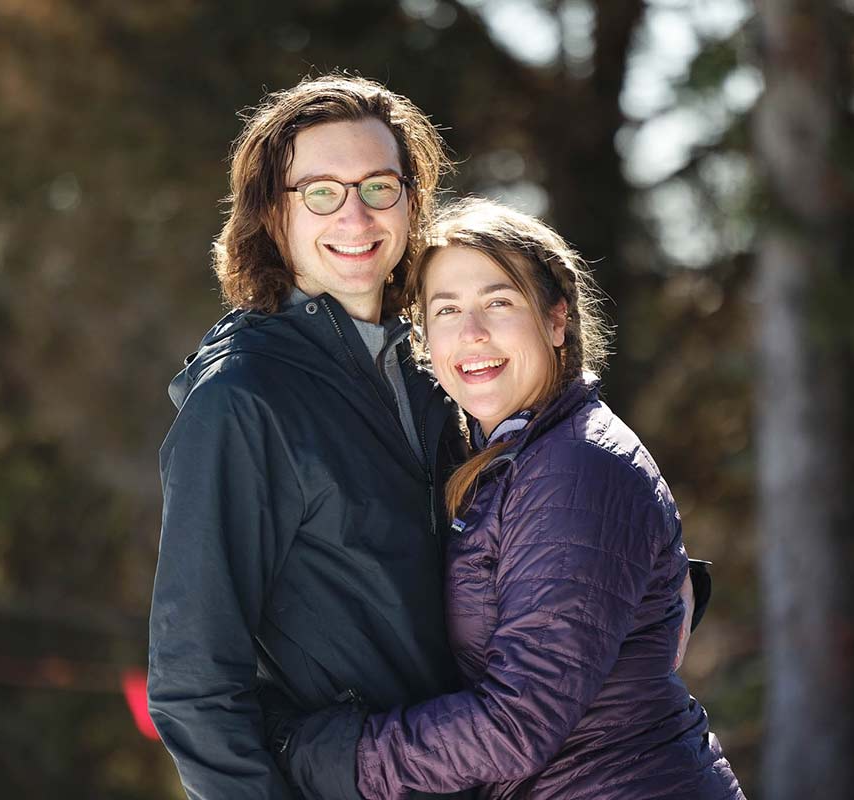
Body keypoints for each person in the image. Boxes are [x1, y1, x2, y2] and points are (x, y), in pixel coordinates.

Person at [276, 199, 744, 800]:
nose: (471, 333)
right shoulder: (503, 455)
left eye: (499, 302)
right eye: (446, 310)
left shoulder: (575, 467)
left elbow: (516, 724)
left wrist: (328, 755)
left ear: (555, 320)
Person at [146, 74, 474, 800]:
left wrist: (658, 591)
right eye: (321, 191)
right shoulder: (241, 401)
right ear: (272, 213)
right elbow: (193, 687)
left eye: (378, 187)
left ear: (412, 202)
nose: (355, 216)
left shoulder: (440, 367)